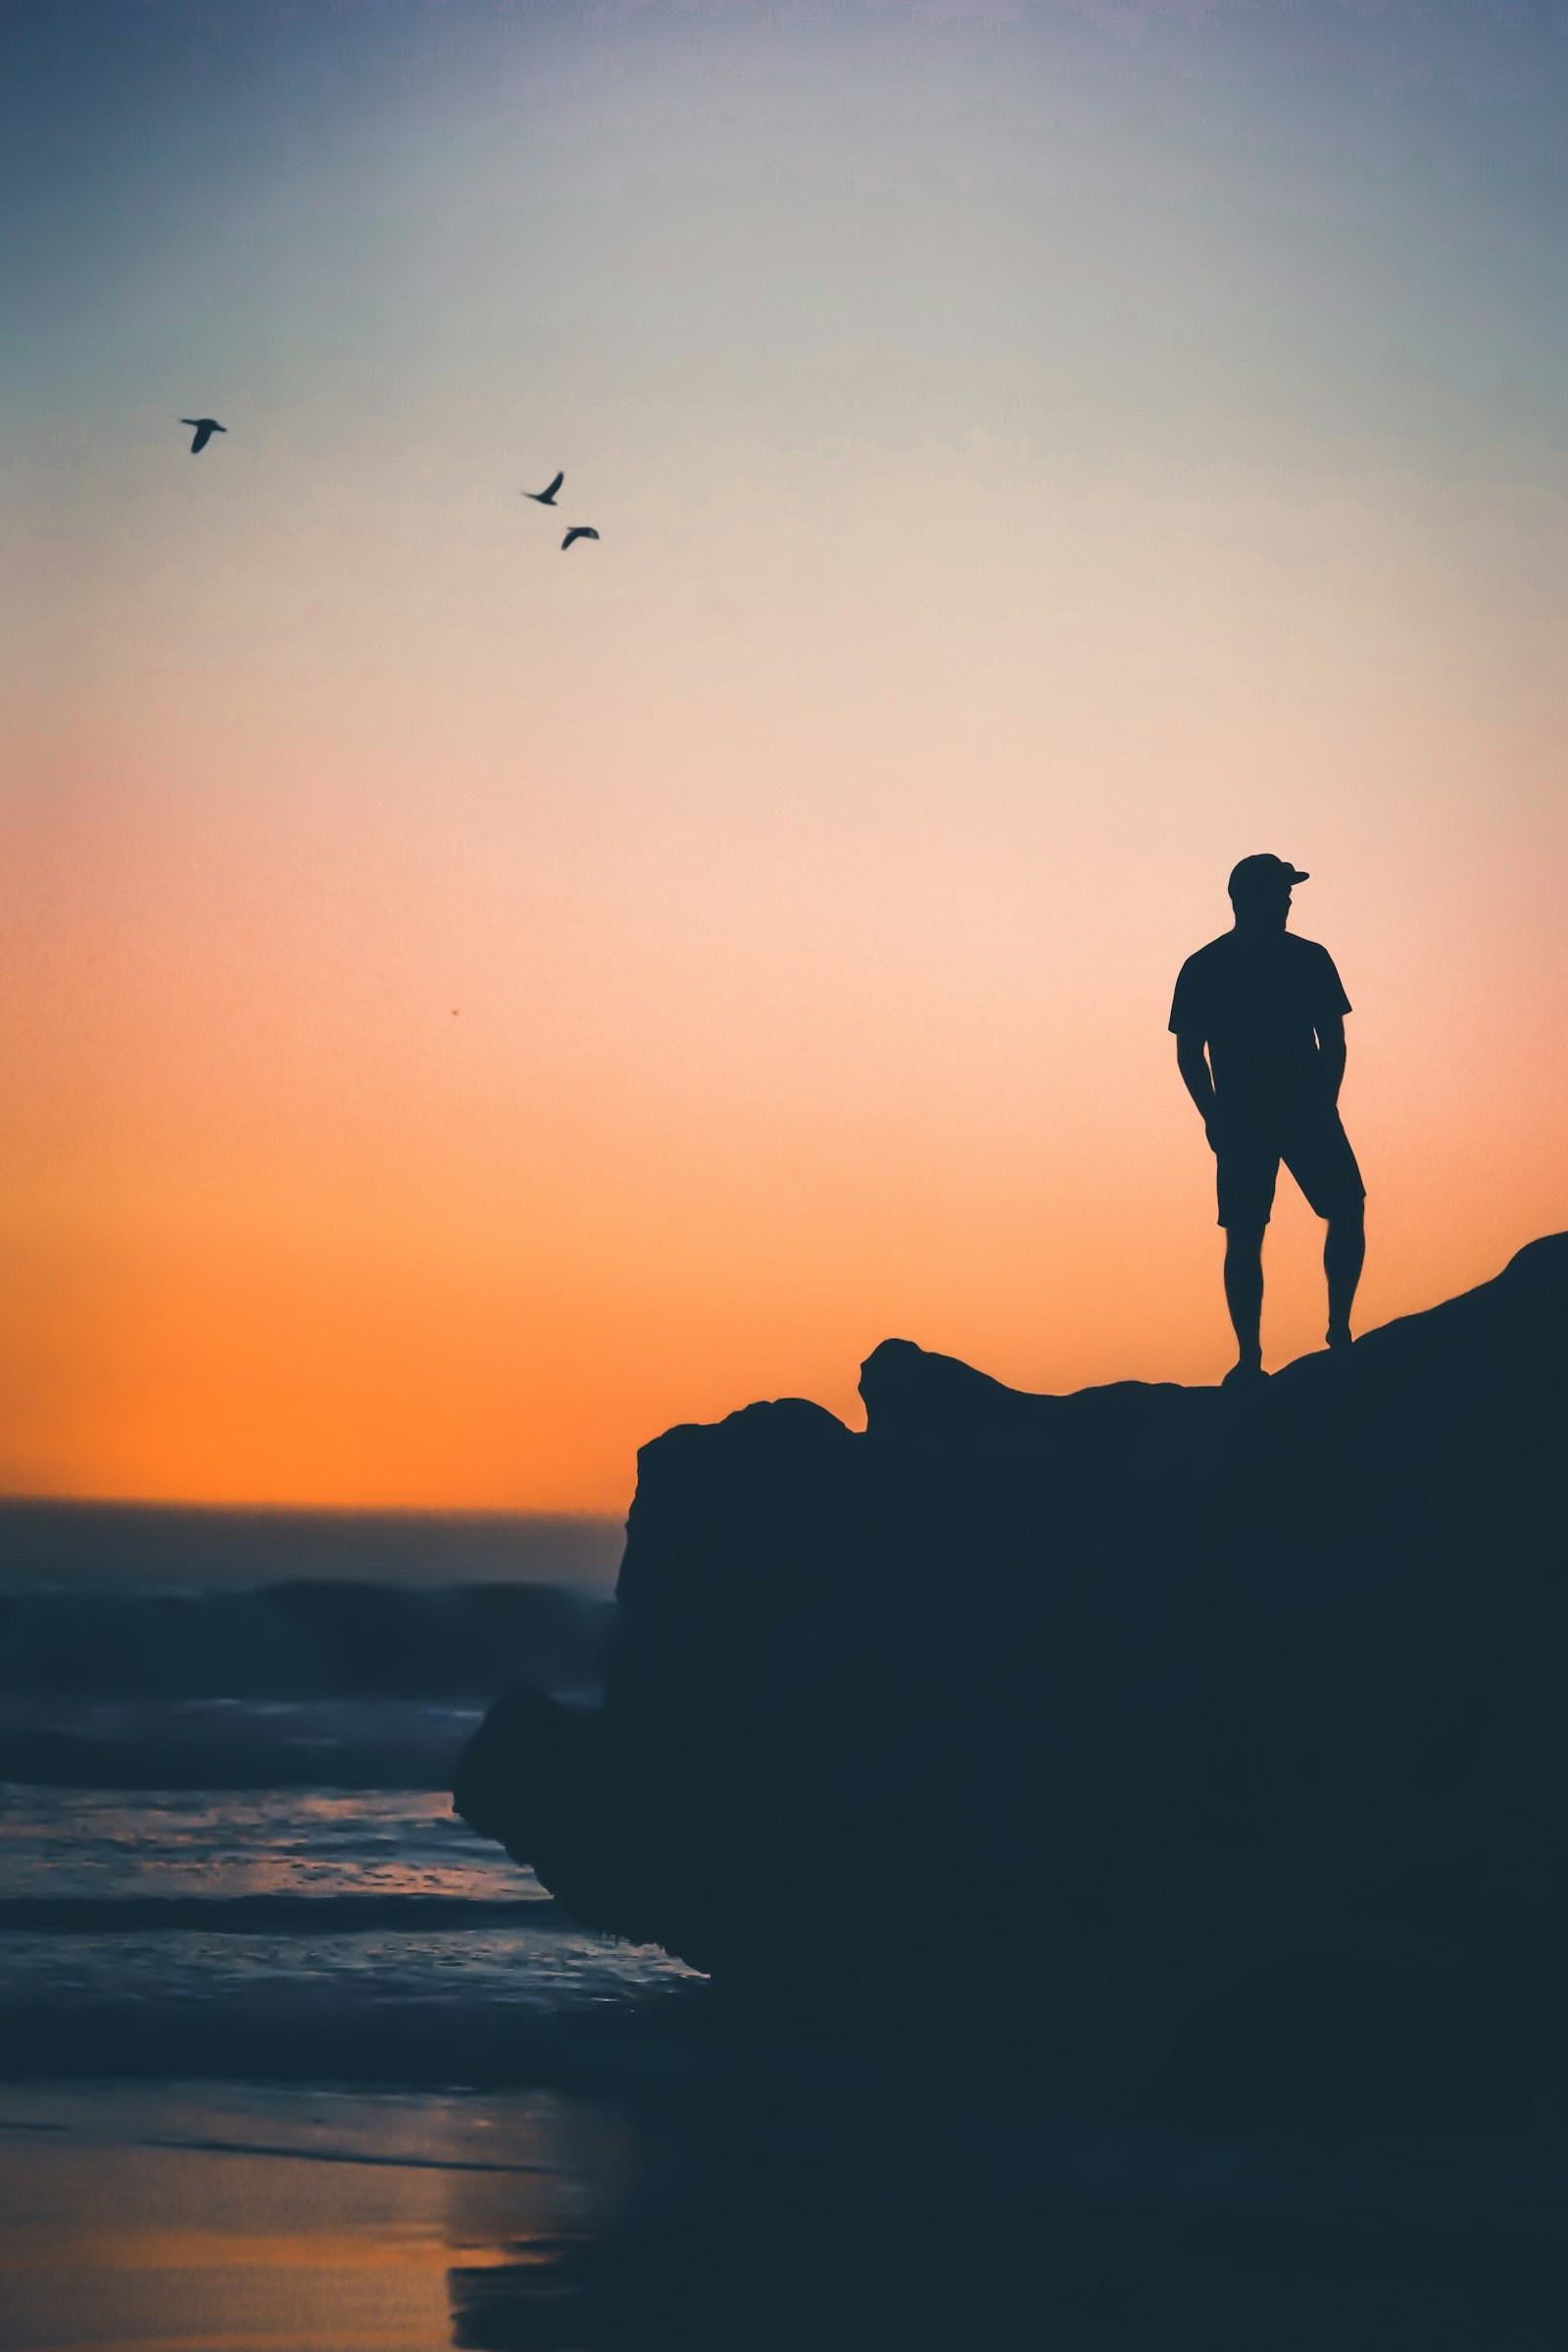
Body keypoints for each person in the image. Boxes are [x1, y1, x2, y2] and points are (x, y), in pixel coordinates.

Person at [1170, 855, 1365, 1385]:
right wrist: (1212, 1116)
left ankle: (1338, 1332)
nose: (1287, 900)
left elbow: (1334, 1040)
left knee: (1344, 1210)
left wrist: (1325, 1100)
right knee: (1247, 1235)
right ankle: (1252, 1357)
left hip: (1294, 1111)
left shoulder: (1303, 958)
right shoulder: (1205, 966)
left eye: (1287, 892)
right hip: (1249, 1117)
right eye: (1280, 891)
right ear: (1247, 899)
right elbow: (1190, 1053)